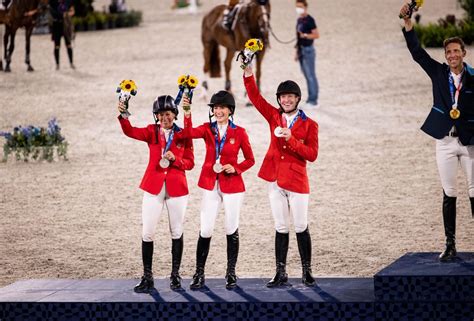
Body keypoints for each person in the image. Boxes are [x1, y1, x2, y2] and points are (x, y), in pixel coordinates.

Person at [400, 3, 474, 262]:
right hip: (444, 140)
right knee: (449, 191)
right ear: (445, 56)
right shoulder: (438, 73)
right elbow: (417, 53)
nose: (452, 55)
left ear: (464, 53)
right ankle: (450, 244)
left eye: (456, 51)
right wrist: (408, 24)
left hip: (469, 142)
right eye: (448, 52)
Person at [243, 65, 319, 287]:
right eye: (283, 97)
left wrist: (292, 139)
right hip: (275, 179)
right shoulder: (274, 116)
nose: (286, 100)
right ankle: (280, 272)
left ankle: (307, 271)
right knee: (280, 227)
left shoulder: (309, 124)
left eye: (290, 97)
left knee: (301, 226)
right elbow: (255, 97)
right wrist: (248, 72)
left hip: (296, 180)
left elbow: (312, 155)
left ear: (297, 99)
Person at [118, 95, 194, 292]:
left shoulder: (184, 135)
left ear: (174, 114)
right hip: (154, 186)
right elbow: (129, 131)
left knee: (176, 231)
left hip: (177, 187)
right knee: (147, 232)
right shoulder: (151, 132)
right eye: (160, 114)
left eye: (167, 114)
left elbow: (190, 163)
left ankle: (175, 275)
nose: (164, 118)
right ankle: (147, 276)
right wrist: (123, 112)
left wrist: (175, 159)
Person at [180, 91, 255, 290]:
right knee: (205, 228)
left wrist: (236, 168)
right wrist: (187, 112)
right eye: (215, 108)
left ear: (230, 110)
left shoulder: (239, 132)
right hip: (211, 184)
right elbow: (188, 134)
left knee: (231, 228)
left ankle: (231, 273)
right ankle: (199, 273)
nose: (218, 111)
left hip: (232, 185)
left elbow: (250, 159)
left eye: (222, 107)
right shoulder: (207, 129)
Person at [295, 0, 320, 109]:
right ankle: (310, 99)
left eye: (300, 7)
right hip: (301, 50)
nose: (298, 9)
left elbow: (316, 35)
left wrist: (305, 35)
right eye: (297, 7)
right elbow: (297, 37)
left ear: (305, 7)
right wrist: (296, 51)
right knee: (306, 75)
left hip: (308, 50)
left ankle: (313, 100)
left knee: (311, 75)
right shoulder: (299, 20)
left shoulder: (310, 20)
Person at [49, 0, 75, 70]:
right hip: (57, 25)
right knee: (57, 46)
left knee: (68, 44)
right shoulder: (53, 2)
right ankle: (57, 64)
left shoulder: (68, 1)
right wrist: (62, 14)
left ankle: (71, 63)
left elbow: (72, 11)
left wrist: (69, 14)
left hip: (65, 25)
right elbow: (52, 12)